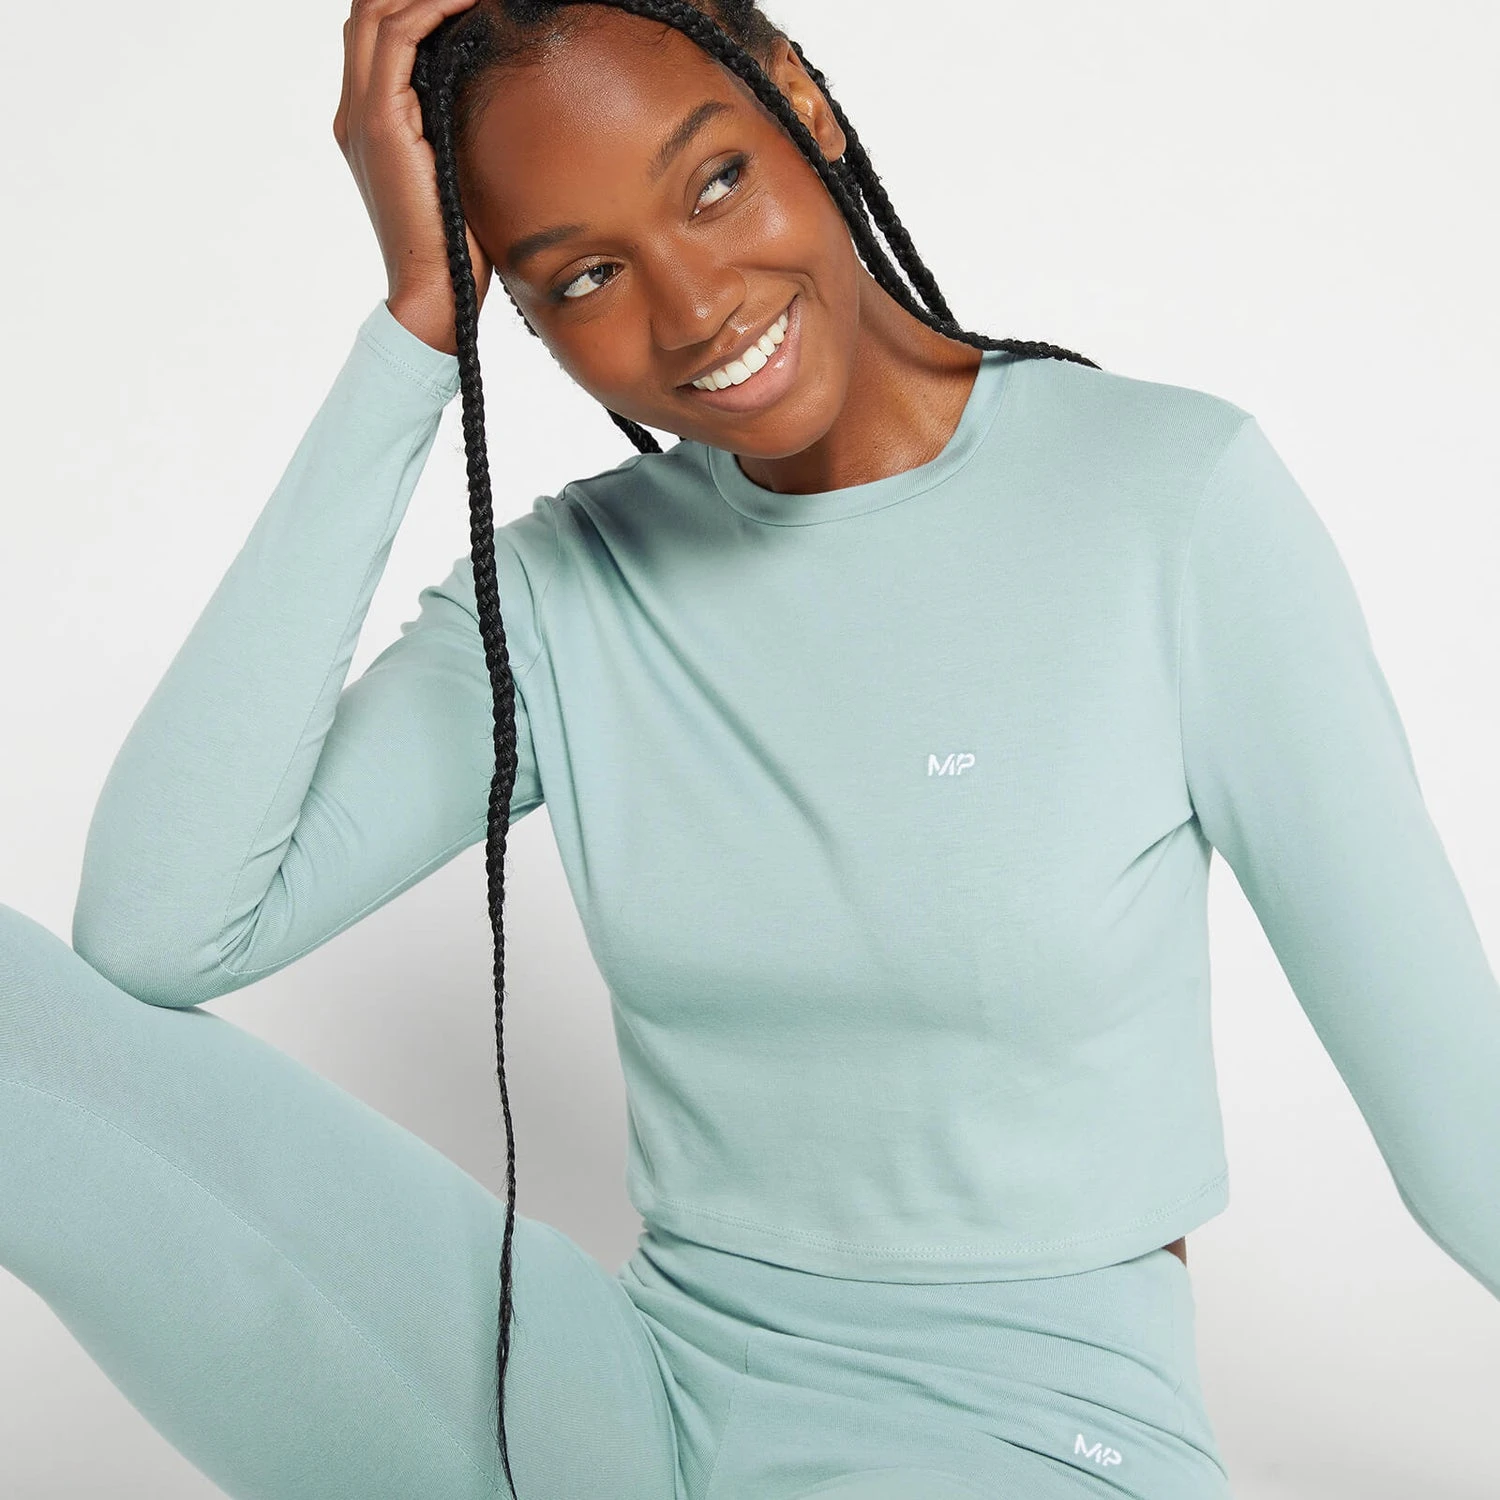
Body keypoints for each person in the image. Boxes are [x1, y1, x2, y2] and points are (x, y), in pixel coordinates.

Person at [2, 1, 1496, 1497]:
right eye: (583, 276)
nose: (696, 305)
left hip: (1027, 1435)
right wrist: (412, 332)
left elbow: (1458, 1123)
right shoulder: (573, 587)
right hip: (636, 1407)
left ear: (801, 100)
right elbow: (159, 930)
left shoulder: (1168, 501)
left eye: (713, 182)